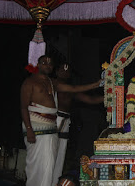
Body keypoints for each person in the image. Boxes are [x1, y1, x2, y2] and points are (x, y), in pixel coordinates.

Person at [20, 55, 101, 186]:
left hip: (57, 125)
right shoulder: (34, 82)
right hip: (40, 126)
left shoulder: (58, 85)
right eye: (44, 63)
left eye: (50, 63)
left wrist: (102, 88)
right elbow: (24, 107)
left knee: (54, 160)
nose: (47, 65)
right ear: (39, 65)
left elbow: (81, 94)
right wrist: (29, 129)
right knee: (40, 162)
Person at [52, 63, 104, 186]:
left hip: (65, 121)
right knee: (49, 155)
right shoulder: (52, 83)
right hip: (53, 120)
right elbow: (75, 89)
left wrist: (112, 95)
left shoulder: (70, 89)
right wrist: (97, 83)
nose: (65, 72)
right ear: (57, 71)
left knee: (60, 155)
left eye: (67, 71)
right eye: (62, 70)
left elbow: (90, 100)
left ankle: (56, 182)